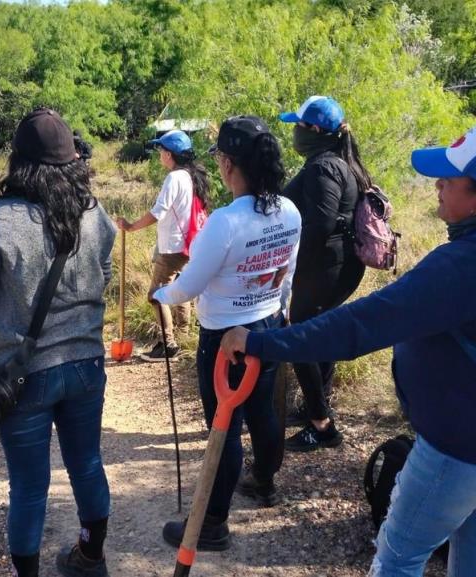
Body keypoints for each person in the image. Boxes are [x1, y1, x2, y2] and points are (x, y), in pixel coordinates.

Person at [219, 121, 476, 576]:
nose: (438, 186)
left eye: (449, 179)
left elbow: (361, 326)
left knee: (397, 556)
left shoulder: (468, 265)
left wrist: (260, 341)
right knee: (473, 523)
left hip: (462, 453)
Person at [0, 108, 117, 577]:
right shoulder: (93, 210)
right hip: (86, 362)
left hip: (19, 374)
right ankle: (91, 557)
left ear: (18, 162)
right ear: (72, 160)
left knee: (29, 485)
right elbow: (104, 275)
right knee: (87, 463)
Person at [156, 115, 301, 547]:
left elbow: (190, 286)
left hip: (224, 339)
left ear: (228, 163)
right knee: (262, 411)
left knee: (224, 425)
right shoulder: (290, 210)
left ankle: (213, 523)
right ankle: (264, 481)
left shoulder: (225, 221)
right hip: (268, 325)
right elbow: (287, 271)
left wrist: (163, 295)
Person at [277, 95, 373, 451]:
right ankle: (317, 406)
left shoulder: (323, 167)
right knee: (321, 335)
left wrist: (289, 267)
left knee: (300, 336)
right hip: (337, 267)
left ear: (314, 130)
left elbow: (319, 224)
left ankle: (321, 424)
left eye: (299, 126)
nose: (296, 133)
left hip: (325, 268)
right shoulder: (336, 161)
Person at [116, 129, 210, 361]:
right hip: (189, 245)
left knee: (155, 295)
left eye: (161, 151)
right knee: (181, 291)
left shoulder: (175, 178)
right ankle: (183, 337)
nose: (159, 155)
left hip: (172, 249)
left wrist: (131, 226)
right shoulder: (191, 176)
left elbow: (158, 212)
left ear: (169, 155)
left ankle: (168, 345)